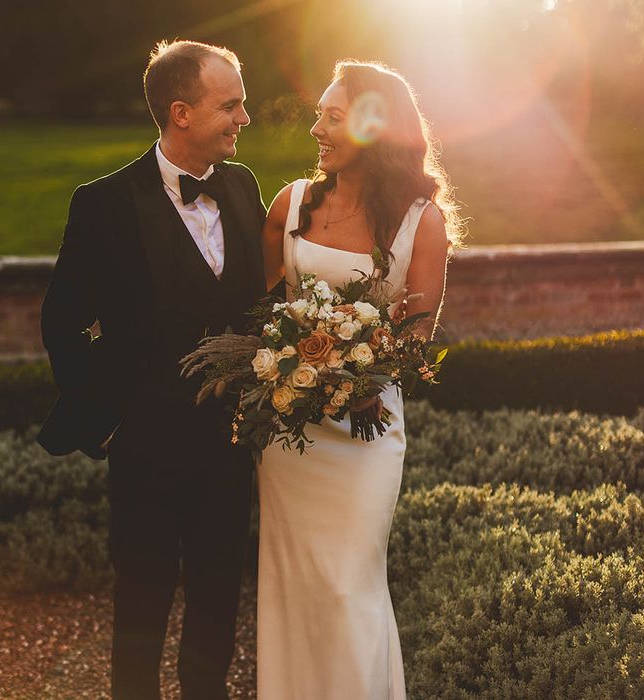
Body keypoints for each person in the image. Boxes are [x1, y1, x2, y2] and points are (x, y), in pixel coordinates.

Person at [37, 39, 266, 699]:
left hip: (228, 443)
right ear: (181, 112)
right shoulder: (104, 203)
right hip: (144, 444)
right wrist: (109, 409)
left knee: (219, 591)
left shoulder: (245, 186)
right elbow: (67, 319)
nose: (244, 118)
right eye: (231, 105)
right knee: (143, 597)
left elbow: (258, 302)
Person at [258, 59, 463, 698]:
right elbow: (258, 316)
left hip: (366, 433)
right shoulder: (289, 206)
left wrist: (353, 369)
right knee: (294, 584)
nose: (316, 127)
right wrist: (298, 367)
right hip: (291, 433)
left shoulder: (421, 224)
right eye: (319, 113)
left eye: (333, 116)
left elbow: (415, 340)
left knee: (350, 584)